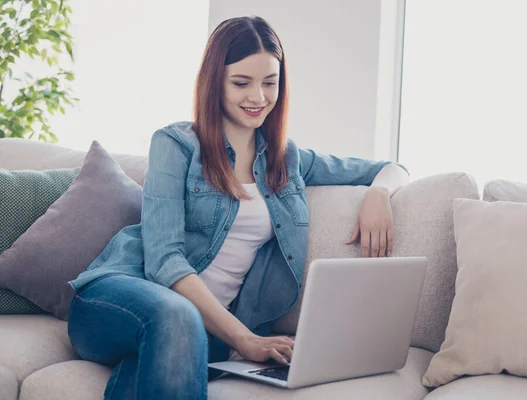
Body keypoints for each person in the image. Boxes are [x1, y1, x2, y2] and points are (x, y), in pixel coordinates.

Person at [66, 15, 409, 400]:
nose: (258, 97)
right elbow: (164, 261)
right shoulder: (175, 144)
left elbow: (390, 168)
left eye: (270, 82)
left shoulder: (288, 158)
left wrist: (378, 195)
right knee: (178, 318)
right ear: (215, 82)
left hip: (205, 331)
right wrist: (243, 339)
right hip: (116, 298)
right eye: (241, 83)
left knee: (162, 358)